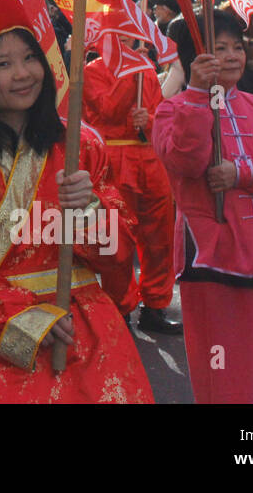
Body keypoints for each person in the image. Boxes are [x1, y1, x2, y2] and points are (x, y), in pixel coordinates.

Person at [0, 0, 152, 403]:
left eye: (29, 58)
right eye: (3, 64)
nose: (22, 73)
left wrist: (90, 212)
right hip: (1, 339)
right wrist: (20, 318)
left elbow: (121, 250)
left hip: (88, 332)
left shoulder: (78, 145)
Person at [154, 8, 253, 403]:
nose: (232, 56)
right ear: (195, 60)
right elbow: (187, 160)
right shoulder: (171, 110)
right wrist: (197, 95)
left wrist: (242, 172)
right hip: (217, 266)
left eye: (236, 47)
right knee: (227, 386)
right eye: (219, 48)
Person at [81, 40, 180, 335]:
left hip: (150, 160)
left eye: (128, 38)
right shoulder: (90, 71)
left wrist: (147, 121)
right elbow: (106, 110)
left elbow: (160, 117)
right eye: (117, 38)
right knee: (117, 240)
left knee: (159, 238)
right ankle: (120, 306)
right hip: (113, 159)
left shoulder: (147, 70)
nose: (124, 43)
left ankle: (155, 305)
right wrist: (131, 72)